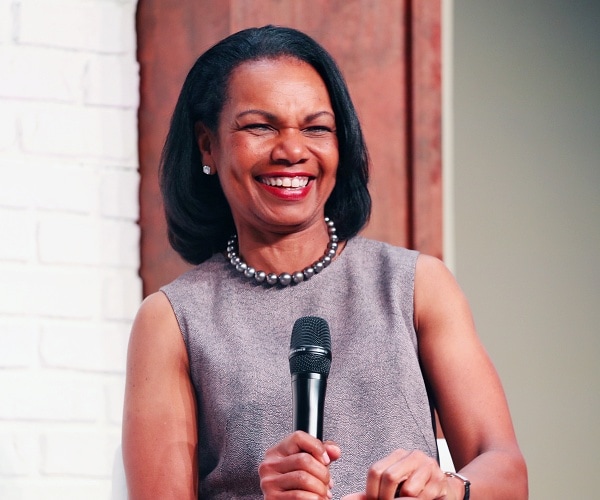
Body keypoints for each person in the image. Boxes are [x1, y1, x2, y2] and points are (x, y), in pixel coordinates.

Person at [122, 25, 527, 499]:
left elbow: (507, 471)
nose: (293, 151)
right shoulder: (172, 320)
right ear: (208, 144)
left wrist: (448, 489)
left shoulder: (415, 285)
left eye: (316, 128)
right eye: (260, 126)